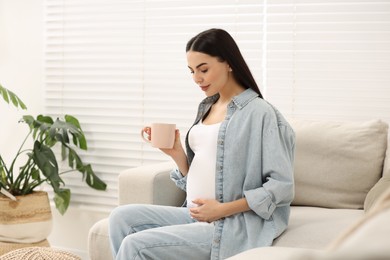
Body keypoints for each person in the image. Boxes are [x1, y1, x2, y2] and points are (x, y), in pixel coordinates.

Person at [109, 28, 295, 260]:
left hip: (231, 222)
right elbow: (202, 172)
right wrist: (176, 153)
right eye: (192, 71)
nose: (197, 78)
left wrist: (221, 210)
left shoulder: (261, 114)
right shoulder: (208, 106)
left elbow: (281, 186)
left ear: (228, 63)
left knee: (136, 245)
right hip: (194, 213)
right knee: (121, 218)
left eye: (203, 69)